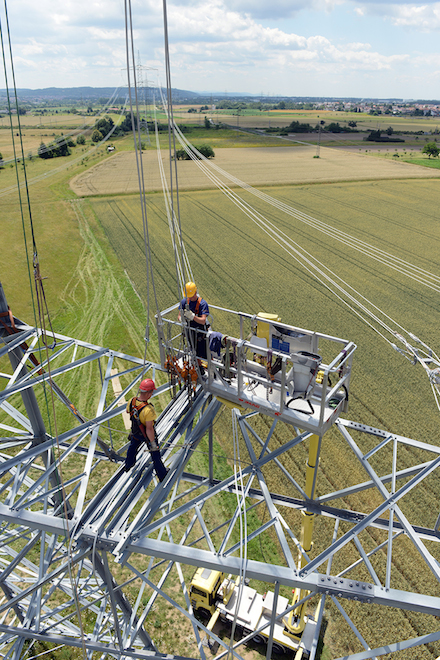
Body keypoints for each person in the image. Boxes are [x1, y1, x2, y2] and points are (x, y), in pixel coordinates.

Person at [124, 378, 168, 481]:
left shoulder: (132, 401)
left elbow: (127, 411)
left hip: (135, 432)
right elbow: (149, 429)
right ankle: (162, 474)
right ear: (149, 393)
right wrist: (152, 443)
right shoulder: (148, 410)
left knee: (132, 448)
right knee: (155, 455)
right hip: (145, 435)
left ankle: (128, 464)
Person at [178, 281, 209, 360]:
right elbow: (179, 316)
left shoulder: (202, 304)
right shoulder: (184, 302)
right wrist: (181, 319)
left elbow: (203, 321)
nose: (190, 298)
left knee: (203, 353)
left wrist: (193, 317)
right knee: (193, 349)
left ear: (195, 292)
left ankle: (205, 365)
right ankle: (197, 363)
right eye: (188, 296)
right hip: (190, 332)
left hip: (200, 334)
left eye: (191, 296)